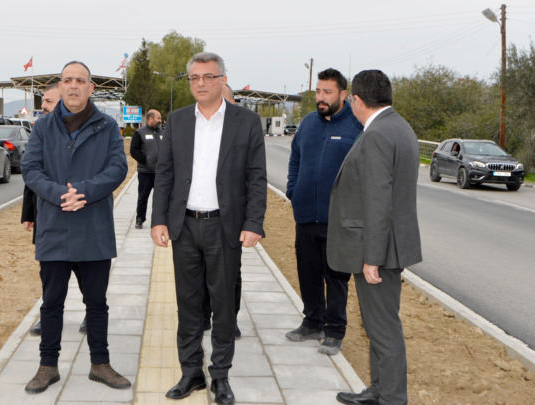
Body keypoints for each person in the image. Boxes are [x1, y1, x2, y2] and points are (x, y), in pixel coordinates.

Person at [151, 52, 267, 405]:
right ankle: (191, 373)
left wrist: (253, 222)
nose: (200, 83)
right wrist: (158, 219)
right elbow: (165, 173)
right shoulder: (178, 120)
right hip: (184, 226)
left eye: (208, 77)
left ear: (222, 80)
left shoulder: (246, 122)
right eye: (194, 78)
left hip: (224, 228)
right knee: (188, 304)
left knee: (223, 305)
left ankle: (220, 376)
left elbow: (256, 177)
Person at [20, 61, 130, 394]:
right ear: (60, 86)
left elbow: (118, 168)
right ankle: (47, 366)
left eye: (80, 80)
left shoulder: (107, 126)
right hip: (54, 227)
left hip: (93, 227)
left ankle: (100, 364)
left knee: (96, 303)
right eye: (67, 80)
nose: (73, 86)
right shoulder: (43, 127)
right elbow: (30, 169)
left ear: (90, 88)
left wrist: (83, 192)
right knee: (51, 302)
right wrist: (58, 194)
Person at [327, 69, 422, 405]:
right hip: (390, 245)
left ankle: (392, 398)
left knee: (383, 327)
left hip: (380, 250)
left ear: (357, 100)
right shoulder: (398, 126)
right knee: (379, 324)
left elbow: (378, 200)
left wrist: (372, 258)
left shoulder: (378, 134)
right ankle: (379, 390)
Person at [284, 68, 362, 355]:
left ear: (343, 94)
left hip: (338, 220)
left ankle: (334, 330)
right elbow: (295, 159)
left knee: (336, 278)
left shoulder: (356, 126)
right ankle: (312, 322)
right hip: (305, 215)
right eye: (318, 91)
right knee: (308, 273)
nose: (321, 97)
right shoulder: (307, 123)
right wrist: (293, 190)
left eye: (327, 92)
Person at [24, 83, 86, 337]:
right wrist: (28, 214)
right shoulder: (41, 129)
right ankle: (48, 316)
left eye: (48, 101)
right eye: (43, 102)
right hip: (48, 215)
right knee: (49, 274)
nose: (44, 106)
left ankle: (90, 311)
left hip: (79, 213)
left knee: (83, 270)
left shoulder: (82, 128)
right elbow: (31, 175)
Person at [201, 83, 242, 339]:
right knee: (201, 273)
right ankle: (203, 315)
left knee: (230, 276)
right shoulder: (200, 127)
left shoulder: (241, 128)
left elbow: (254, 176)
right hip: (199, 217)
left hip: (229, 220)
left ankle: (229, 319)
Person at [129, 109, 162, 229]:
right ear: (150, 119)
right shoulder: (140, 132)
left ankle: (159, 220)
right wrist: (145, 160)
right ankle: (140, 219)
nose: (160, 121)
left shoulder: (162, 133)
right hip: (146, 172)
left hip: (160, 172)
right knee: (143, 197)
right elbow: (133, 150)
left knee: (160, 198)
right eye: (158, 118)